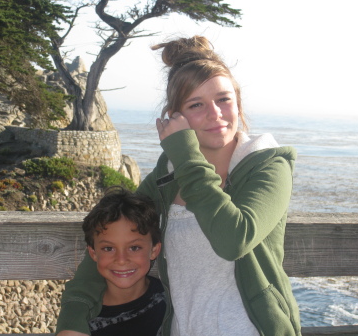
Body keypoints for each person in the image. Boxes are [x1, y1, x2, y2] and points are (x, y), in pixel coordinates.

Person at [55, 35, 301, 336]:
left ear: (237, 102)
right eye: (197, 104)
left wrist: (184, 154)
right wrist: (73, 323)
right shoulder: (168, 175)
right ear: (176, 115)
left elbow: (233, 239)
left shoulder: (267, 165)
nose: (216, 114)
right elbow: (110, 235)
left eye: (224, 99)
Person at [56, 186, 165, 336]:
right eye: (108, 248)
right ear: (93, 253)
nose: (121, 260)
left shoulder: (170, 302)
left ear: (154, 250)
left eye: (134, 248)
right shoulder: (84, 321)